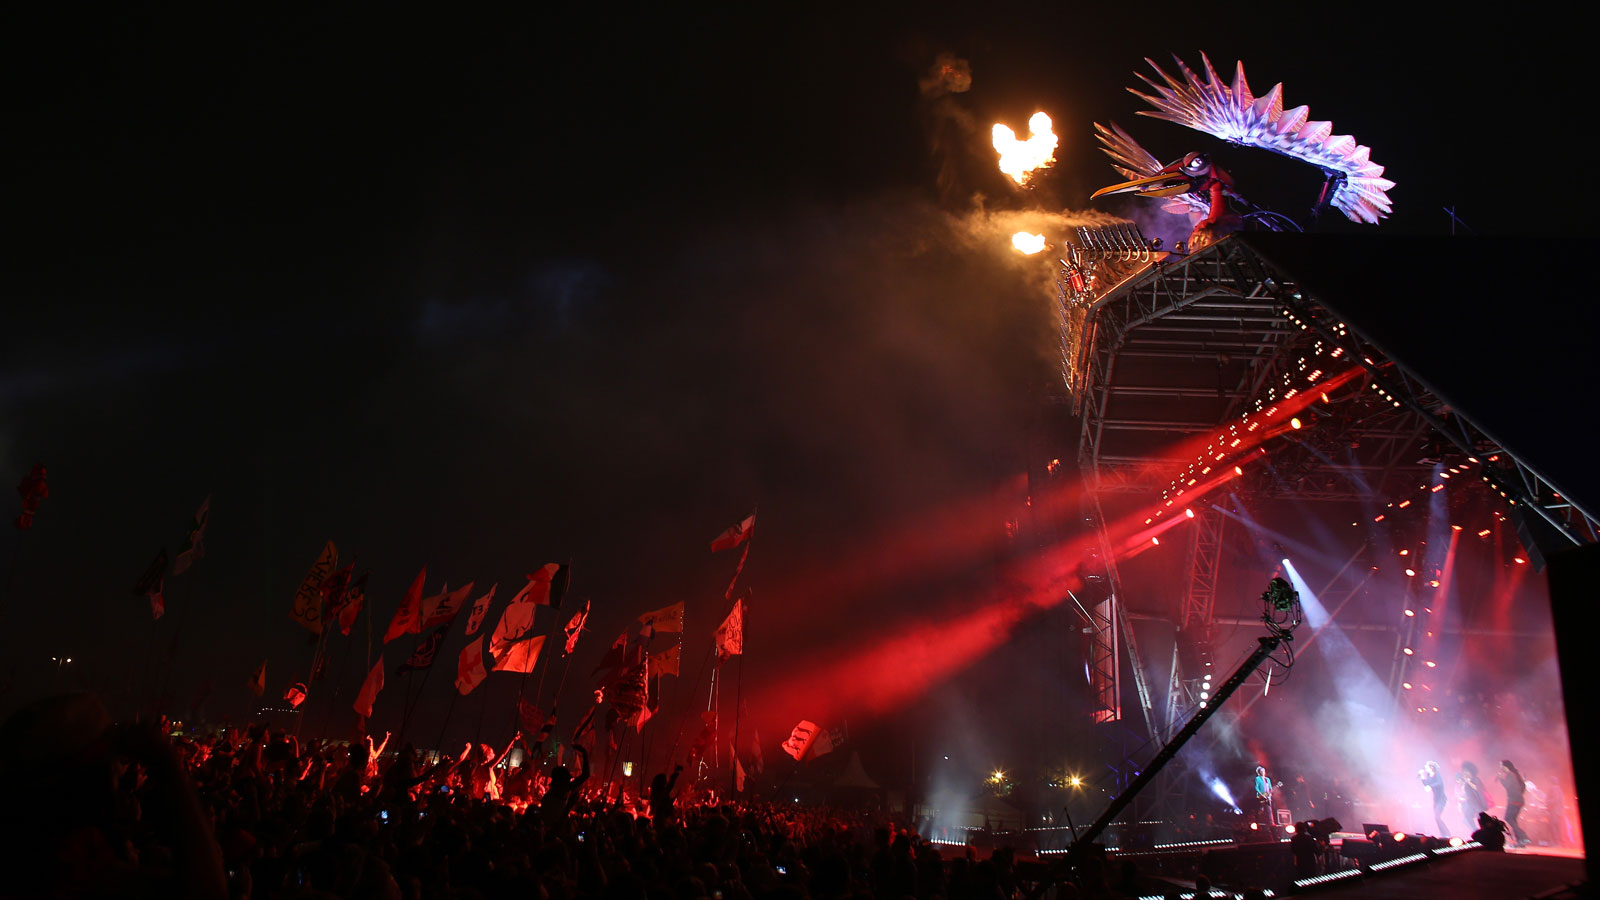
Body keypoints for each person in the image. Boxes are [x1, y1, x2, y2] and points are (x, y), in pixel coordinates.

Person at [1497, 760, 1530, 846]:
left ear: (1505, 766)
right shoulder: (1514, 774)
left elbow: (1507, 786)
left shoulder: (1510, 775)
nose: (1500, 768)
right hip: (1518, 800)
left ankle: (1524, 837)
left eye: (1501, 766)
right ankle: (1520, 842)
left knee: (1508, 818)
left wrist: (1500, 778)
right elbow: (1522, 786)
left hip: (1514, 800)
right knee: (1513, 820)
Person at [1418, 761, 1449, 837]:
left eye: (1427, 767)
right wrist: (1422, 776)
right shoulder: (1429, 775)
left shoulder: (1437, 774)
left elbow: (1439, 783)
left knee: (1437, 817)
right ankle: (1444, 834)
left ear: (1431, 767)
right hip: (1436, 799)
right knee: (1436, 818)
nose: (1425, 768)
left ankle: (1446, 834)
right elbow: (1426, 784)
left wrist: (1430, 786)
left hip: (1441, 799)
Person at [1457, 761, 1488, 829]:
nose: (1464, 773)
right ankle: (1476, 831)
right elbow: (1465, 792)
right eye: (1464, 771)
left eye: (1466, 771)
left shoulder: (1476, 779)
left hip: (1477, 802)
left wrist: (1468, 782)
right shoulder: (1467, 780)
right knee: (1467, 818)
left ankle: (1485, 831)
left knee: (1480, 818)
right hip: (1470, 803)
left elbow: (1477, 788)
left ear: (1471, 771)